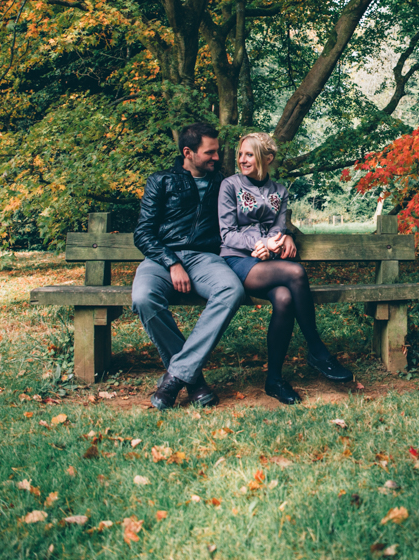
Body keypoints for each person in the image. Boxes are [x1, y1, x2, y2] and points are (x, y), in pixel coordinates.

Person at [218, 132, 353, 404]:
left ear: (266, 159)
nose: (242, 160)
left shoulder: (280, 191)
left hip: (269, 260)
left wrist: (282, 237)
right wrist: (260, 243)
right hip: (238, 259)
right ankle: (316, 348)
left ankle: (274, 380)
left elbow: (279, 226)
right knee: (296, 272)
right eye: (240, 154)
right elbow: (227, 233)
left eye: (249, 155)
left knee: (284, 297)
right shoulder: (229, 186)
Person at [132, 122, 248, 410]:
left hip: (204, 258)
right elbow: (143, 233)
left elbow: (256, 214)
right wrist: (171, 262)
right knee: (143, 297)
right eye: (210, 153)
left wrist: (283, 233)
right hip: (161, 258)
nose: (217, 158)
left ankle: (175, 376)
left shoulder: (224, 184)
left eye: (217, 152)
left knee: (231, 289)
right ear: (188, 152)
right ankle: (193, 380)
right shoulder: (160, 181)